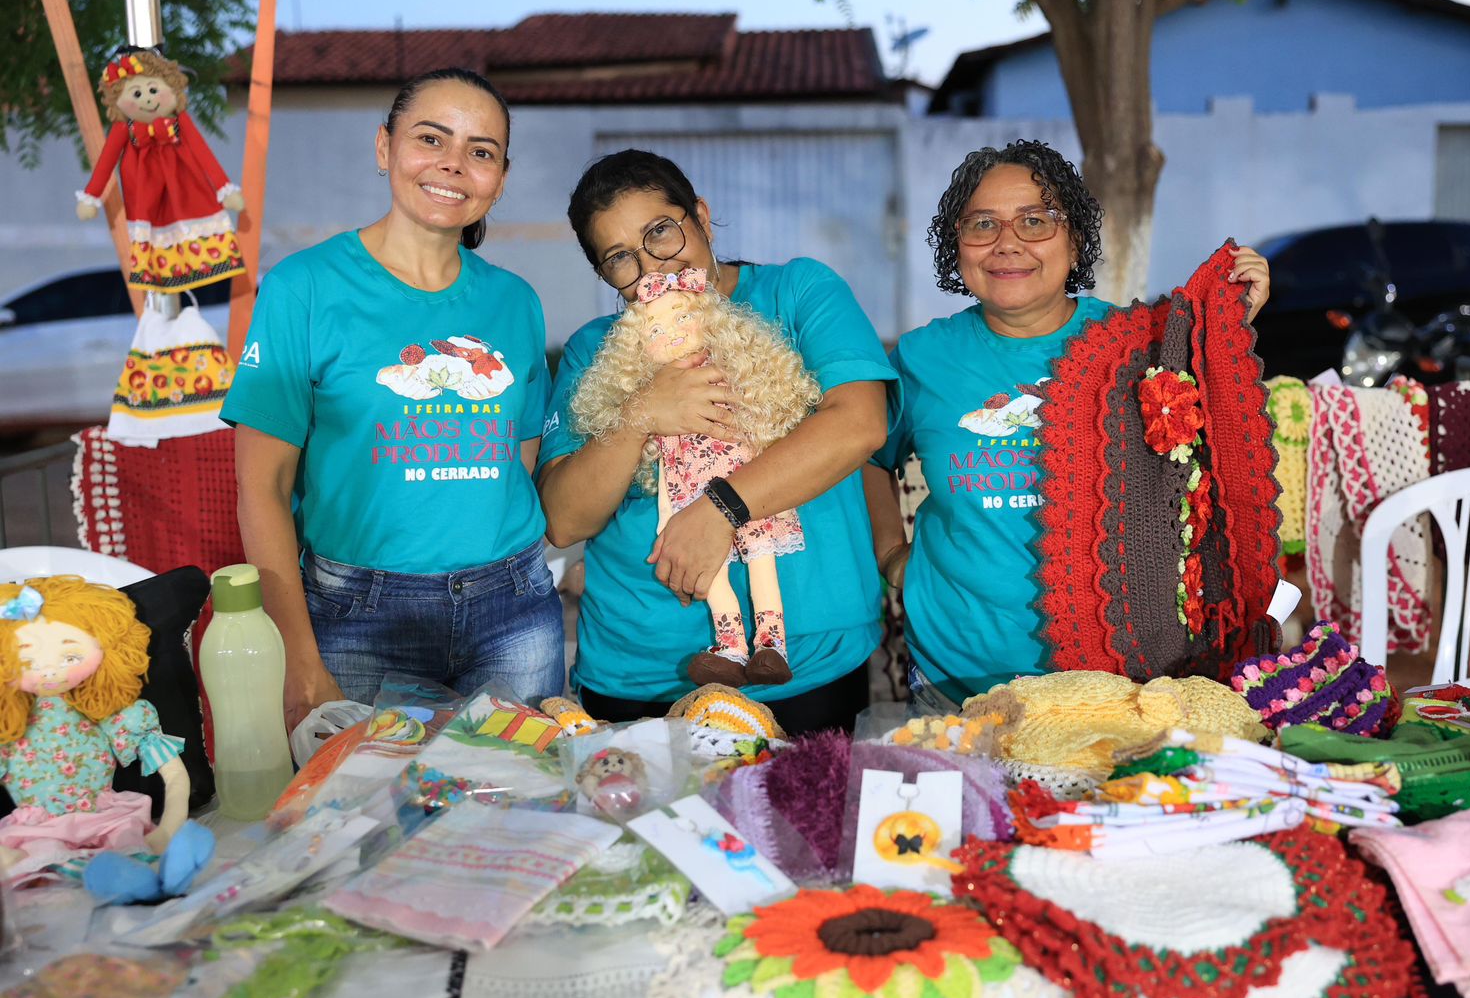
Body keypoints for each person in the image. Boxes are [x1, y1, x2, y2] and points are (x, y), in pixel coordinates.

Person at [864, 139, 1271, 706]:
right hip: (956, 674)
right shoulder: (920, 358)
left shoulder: (1140, 345)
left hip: (1117, 677)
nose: (1008, 243)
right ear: (956, 244)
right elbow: (864, 455)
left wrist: (1225, 325)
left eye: (1036, 221)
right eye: (982, 224)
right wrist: (891, 555)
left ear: (1075, 238)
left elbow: (1213, 439)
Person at [222, 67, 562, 729]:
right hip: (357, 616)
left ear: (500, 177)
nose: (454, 165)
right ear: (384, 149)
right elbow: (261, 487)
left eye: (481, 152)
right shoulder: (304, 288)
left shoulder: (515, 302)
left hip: (513, 609)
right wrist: (297, 651)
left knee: (520, 811)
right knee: (356, 820)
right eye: (431, 139)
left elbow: (514, 462)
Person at [539, 149, 896, 734]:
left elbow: (859, 423)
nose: (651, 268)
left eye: (661, 232)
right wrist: (641, 413)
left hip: (807, 662)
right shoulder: (594, 348)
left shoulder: (798, 292)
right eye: (620, 259)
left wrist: (720, 510)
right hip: (640, 669)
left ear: (700, 217)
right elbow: (563, 518)